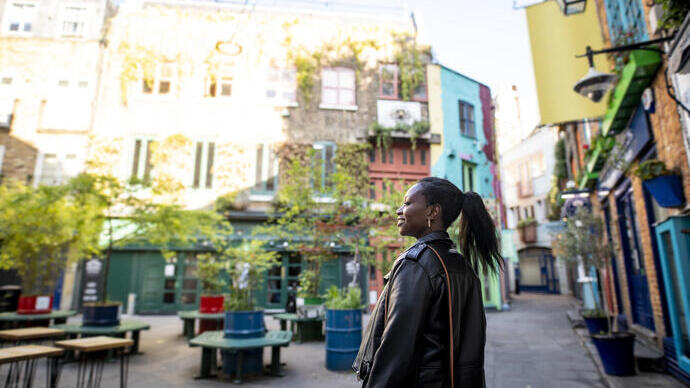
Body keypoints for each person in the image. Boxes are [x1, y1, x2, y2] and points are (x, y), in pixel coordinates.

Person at [353, 177, 503, 388]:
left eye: (407, 203)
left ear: (433, 212)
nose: (399, 210)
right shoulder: (462, 265)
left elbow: (396, 350)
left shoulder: (416, 263)